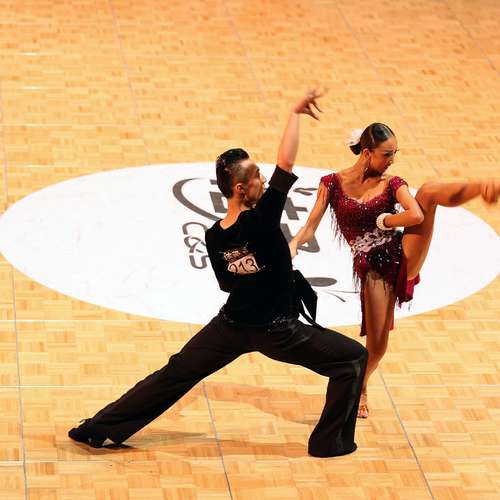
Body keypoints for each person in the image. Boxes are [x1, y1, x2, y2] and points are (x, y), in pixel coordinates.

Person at [68, 90, 368, 458]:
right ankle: (328, 443)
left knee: (175, 374)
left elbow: (230, 282)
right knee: (352, 359)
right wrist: (294, 113)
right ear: (241, 188)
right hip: (278, 331)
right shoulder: (261, 221)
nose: (263, 179)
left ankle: (96, 430)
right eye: (257, 176)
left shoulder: (215, 236)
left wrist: (277, 259)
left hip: (230, 327)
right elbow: (286, 163)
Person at [289, 123, 499, 418]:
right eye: (386, 154)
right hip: (372, 268)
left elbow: (416, 215)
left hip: (402, 253)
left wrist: (386, 221)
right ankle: (360, 382)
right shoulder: (331, 183)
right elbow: (310, 226)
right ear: (366, 153)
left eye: (394, 153)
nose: (392, 160)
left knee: (429, 191)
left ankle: (483, 187)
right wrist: (294, 243)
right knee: (376, 347)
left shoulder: (392, 183)